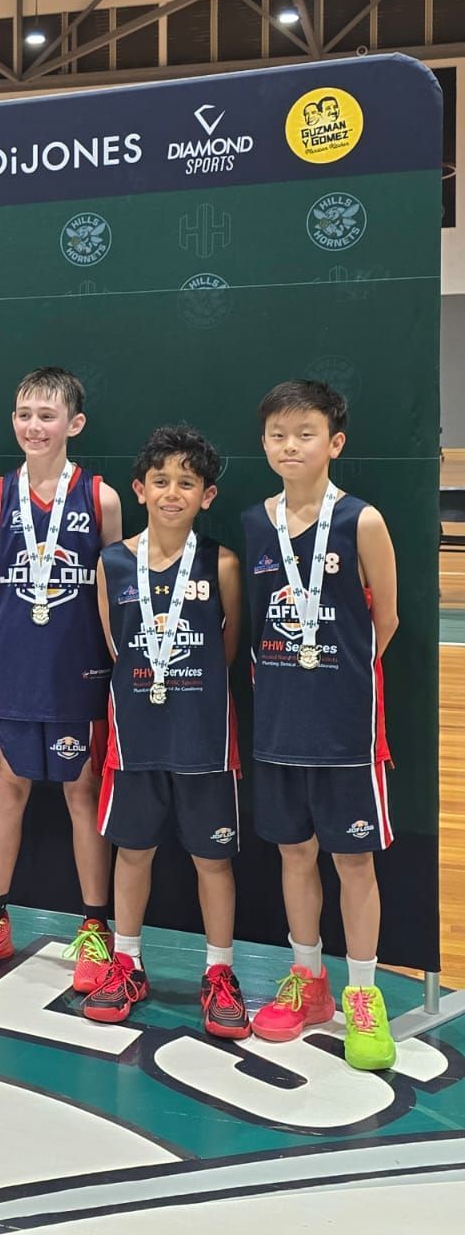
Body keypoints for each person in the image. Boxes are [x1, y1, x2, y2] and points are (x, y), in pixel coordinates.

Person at [244, 380, 399, 1070]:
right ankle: (308, 981)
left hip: (345, 728)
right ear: (263, 444)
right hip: (279, 723)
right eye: (278, 435)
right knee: (294, 855)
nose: (290, 446)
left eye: (304, 434)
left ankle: (363, 994)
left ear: (334, 442)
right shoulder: (255, 523)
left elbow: (386, 621)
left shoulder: (362, 521)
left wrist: (336, 675)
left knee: (354, 861)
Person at [0, 368, 122, 987]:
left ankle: (95, 927)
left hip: (80, 668)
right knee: (8, 786)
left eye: (47, 415)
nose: (34, 426)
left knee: (82, 792)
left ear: (74, 423)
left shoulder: (100, 498)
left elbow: (112, 586)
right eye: (24, 414)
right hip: (15, 665)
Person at [82, 426, 248, 1037]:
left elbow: (227, 649)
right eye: (161, 481)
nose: (172, 493)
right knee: (132, 852)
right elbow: (115, 644)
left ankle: (219, 972)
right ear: (140, 489)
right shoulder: (112, 563)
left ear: (207, 495)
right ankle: (126, 962)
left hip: (203, 738)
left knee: (213, 860)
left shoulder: (222, 563)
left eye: (186, 482)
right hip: (135, 737)